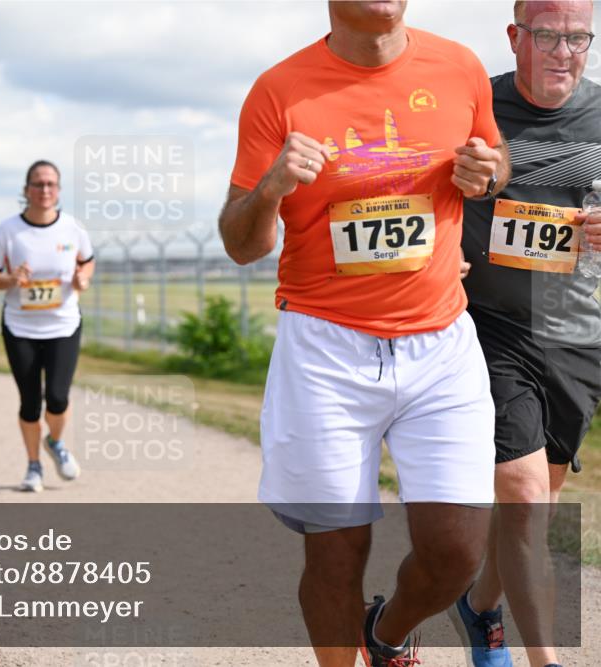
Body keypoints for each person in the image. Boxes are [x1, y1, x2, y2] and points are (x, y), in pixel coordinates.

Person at [219, 2, 511, 665]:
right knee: (334, 552)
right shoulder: (278, 89)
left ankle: (384, 633)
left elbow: (497, 158)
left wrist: (487, 172)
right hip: (325, 348)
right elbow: (241, 244)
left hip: (439, 342)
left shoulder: (458, 66)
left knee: (459, 550)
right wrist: (269, 190)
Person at [456, 3, 599, 666]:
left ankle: (479, 606)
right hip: (492, 326)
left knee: (531, 511)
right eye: (549, 36)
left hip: (577, 332)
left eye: (579, 38)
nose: (565, 52)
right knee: (520, 494)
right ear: (516, 37)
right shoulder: (470, 107)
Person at [0, 160, 94, 492]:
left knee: (57, 397)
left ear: (58, 191)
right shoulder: (8, 230)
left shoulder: (73, 229)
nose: (45, 190)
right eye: (38, 184)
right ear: (26, 190)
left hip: (63, 324)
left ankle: (55, 443)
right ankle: (33, 467)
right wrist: (11, 279)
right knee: (30, 402)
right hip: (20, 328)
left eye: (51, 184)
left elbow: (87, 263)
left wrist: (82, 279)